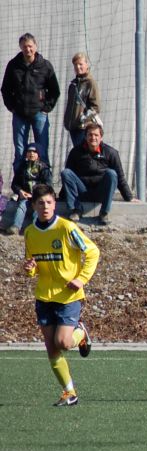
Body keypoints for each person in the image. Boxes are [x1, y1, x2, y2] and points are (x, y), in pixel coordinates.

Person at [21, 183, 99, 407]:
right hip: (44, 296)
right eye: (40, 203)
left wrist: (81, 279)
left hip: (68, 296)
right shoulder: (30, 232)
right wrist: (30, 269)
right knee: (51, 347)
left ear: (55, 204)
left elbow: (93, 252)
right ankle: (69, 392)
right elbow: (33, 266)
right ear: (34, 206)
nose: (45, 206)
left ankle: (81, 334)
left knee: (63, 342)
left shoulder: (66, 228)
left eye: (49, 202)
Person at [1, 33, 60, 169]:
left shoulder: (45, 66)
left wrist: (46, 108)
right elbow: (5, 89)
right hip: (20, 114)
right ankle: (20, 185)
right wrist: (12, 107)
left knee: (42, 150)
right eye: (24, 47)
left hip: (39, 114)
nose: (28, 49)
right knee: (20, 151)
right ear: (20, 47)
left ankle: (45, 186)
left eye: (30, 46)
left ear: (35, 46)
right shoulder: (13, 65)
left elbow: (54, 90)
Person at [61, 123, 138, 225]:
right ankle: (76, 210)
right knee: (66, 172)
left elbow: (120, 177)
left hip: (101, 192)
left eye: (96, 135)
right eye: (90, 135)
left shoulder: (111, 153)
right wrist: (62, 196)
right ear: (85, 136)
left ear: (101, 137)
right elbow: (68, 176)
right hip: (82, 190)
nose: (93, 138)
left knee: (112, 173)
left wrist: (129, 197)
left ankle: (104, 213)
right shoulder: (76, 152)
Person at [1, 143, 52, 234]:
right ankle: (15, 227)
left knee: (38, 209)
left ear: (38, 154)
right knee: (22, 206)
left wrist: (35, 194)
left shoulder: (44, 168)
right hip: (25, 197)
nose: (31, 154)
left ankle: (37, 228)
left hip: (39, 197)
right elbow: (14, 184)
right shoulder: (22, 167)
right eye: (29, 151)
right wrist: (20, 191)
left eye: (34, 152)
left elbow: (47, 186)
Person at [62, 52, 101, 148]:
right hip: (73, 127)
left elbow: (96, 107)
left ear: (87, 65)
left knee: (84, 155)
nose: (78, 67)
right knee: (78, 154)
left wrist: (84, 118)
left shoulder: (90, 83)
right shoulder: (73, 84)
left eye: (80, 64)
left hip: (84, 128)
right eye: (75, 65)